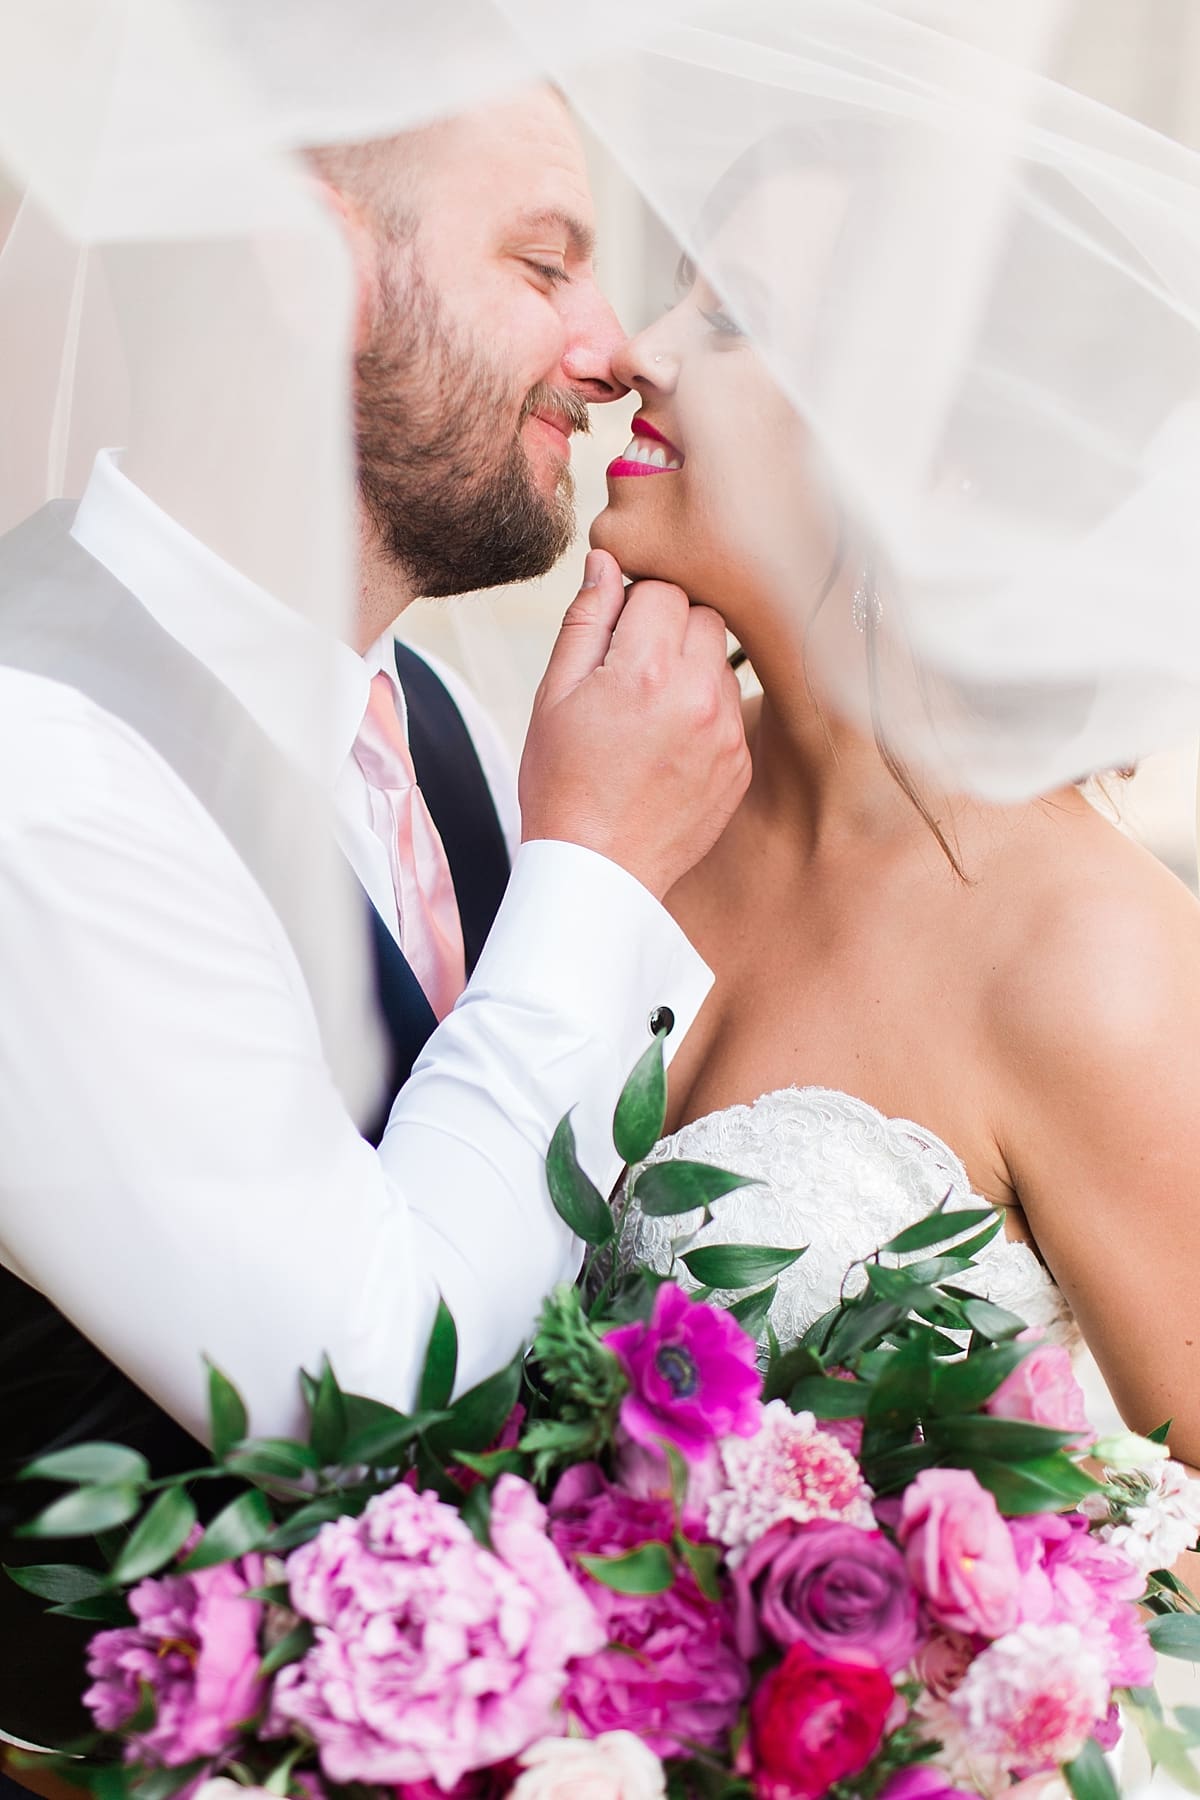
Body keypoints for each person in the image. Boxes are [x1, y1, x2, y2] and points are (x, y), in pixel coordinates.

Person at [0, 86, 749, 1750]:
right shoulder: (35, 766)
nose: (612, 345)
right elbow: (367, 1403)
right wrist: (602, 870)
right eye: (544, 260)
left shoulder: (447, 731)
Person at [602, 158, 1200, 1472]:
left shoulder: (1090, 956)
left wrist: (926, 1640)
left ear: (935, 468)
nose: (637, 351)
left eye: (734, 320)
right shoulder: (615, 795)